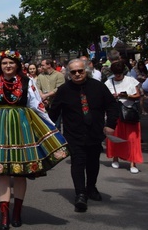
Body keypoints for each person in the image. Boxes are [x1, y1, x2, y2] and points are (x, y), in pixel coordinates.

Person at [0, 50, 69, 230]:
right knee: (2, 172)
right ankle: (4, 215)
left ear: (17, 65)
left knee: (20, 172)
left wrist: (50, 126)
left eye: (11, 63)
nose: (7, 66)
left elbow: (37, 106)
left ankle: (16, 212)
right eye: (4, 63)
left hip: (21, 127)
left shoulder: (27, 82)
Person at [49, 59, 120, 211]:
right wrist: (46, 129)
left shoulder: (98, 87)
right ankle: (80, 194)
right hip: (74, 134)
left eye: (80, 71)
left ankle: (91, 187)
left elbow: (112, 106)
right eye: (73, 72)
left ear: (86, 71)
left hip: (95, 132)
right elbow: (53, 112)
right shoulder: (64, 90)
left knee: (93, 163)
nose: (77, 74)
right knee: (78, 163)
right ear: (69, 73)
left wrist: (111, 125)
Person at [105, 61, 143, 174]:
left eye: (120, 73)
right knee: (116, 136)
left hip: (129, 113)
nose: (118, 75)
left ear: (123, 72)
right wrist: (112, 97)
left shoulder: (131, 80)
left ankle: (133, 162)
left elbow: (138, 95)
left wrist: (127, 95)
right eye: (116, 73)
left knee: (132, 139)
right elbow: (104, 98)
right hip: (115, 113)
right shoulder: (108, 82)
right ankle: (115, 157)